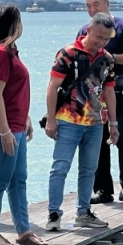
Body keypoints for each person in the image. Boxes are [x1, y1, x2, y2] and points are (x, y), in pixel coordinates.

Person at [45, 12, 118, 231]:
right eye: (99, 37)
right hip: (68, 120)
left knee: (89, 169)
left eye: (106, 39)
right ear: (88, 30)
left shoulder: (107, 59)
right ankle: (54, 213)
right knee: (60, 167)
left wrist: (113, 124)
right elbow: (52, 87)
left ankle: (83, 212)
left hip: (96, 123)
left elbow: (109, 91)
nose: (102, 42)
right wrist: (50, 119)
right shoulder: (68, 53)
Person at [0, 5, 46, 245]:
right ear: (15, 24)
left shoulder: (11, 51)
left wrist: (25, 118)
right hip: (1, 128)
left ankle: (23, 229)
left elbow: (14, 92)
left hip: (17, 124)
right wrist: (6, 131)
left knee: (19, 179)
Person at [80, 0, 123, 204]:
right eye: (88, 5)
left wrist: (109, 57)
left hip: (121, 91)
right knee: (98, 141)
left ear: (107, 4)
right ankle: (103, 190)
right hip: (95, 95)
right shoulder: (84, 31)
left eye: (96, 4)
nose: (92, 9)